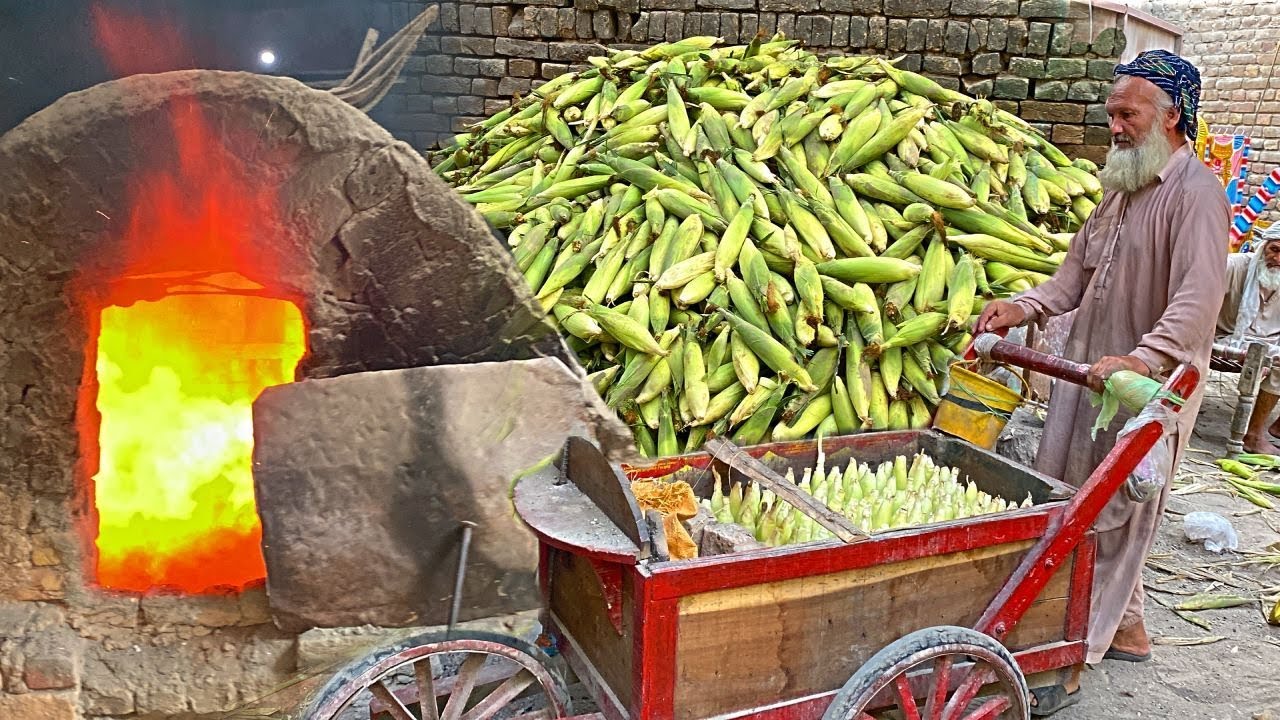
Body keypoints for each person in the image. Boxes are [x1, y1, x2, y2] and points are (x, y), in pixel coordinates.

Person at [976, 50, 1229, 715]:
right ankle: (1128, 632)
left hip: (1144, 387)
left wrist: (1144, 360)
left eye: (1127, 114)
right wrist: (1023, 307)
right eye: (1111, 113)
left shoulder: (1197, 194)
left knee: (1114, 516)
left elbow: (1198, 303)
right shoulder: (1120, 187)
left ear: (1172, 116)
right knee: (1073, 503)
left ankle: (1069, 652)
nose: (1113, 126)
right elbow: (1072, 280)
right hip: (1086, 375)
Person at [1216, 229, 1280, 453]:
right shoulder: (1233, 266)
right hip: (1227, 338)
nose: (1278, 259)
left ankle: (1270, 429)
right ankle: (1252, 436)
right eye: (1274, 249)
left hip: (1270, 343)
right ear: (1263, 247)